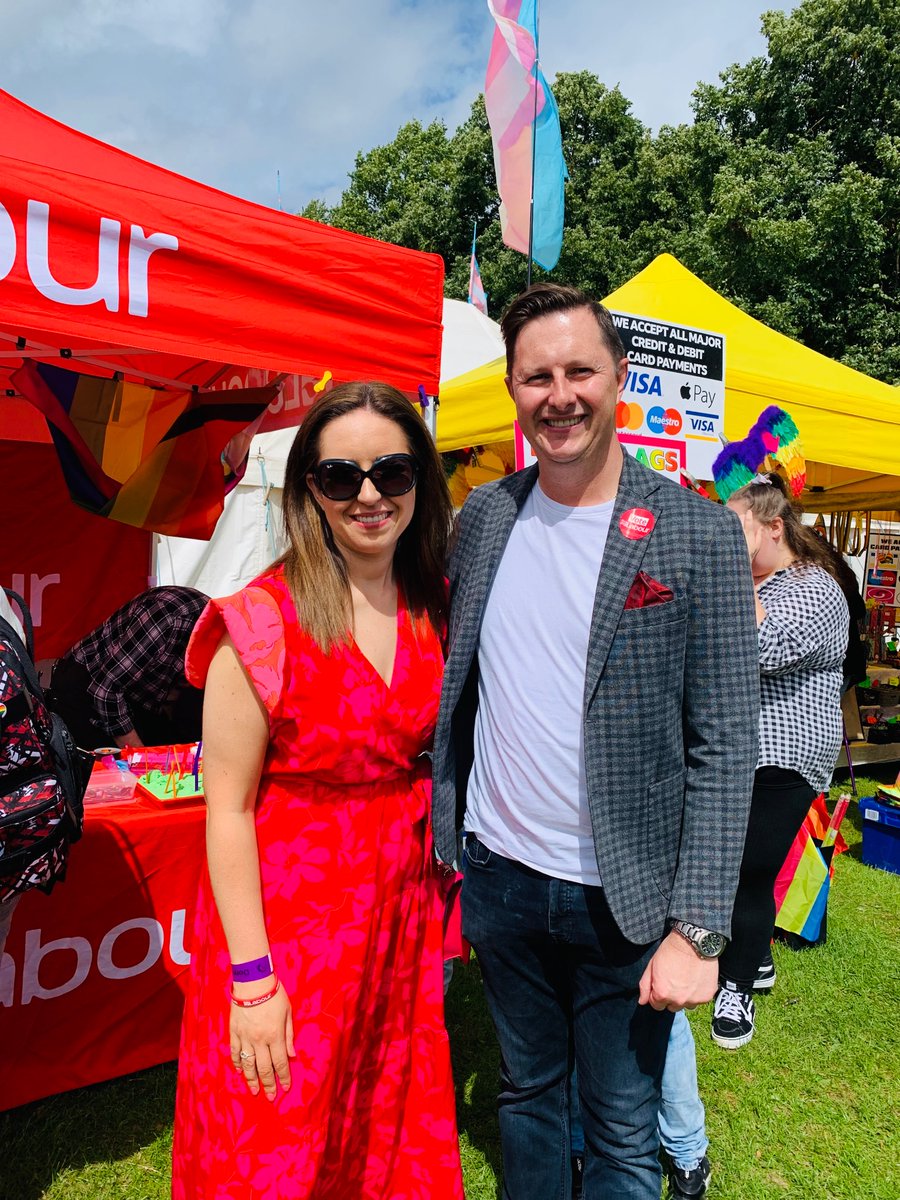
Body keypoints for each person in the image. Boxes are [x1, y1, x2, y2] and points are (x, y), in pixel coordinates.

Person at [431, 282, 760, 1199]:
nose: (560, 394)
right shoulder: (484, 518)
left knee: (620, 1128)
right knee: (528, 1093)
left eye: (580, 370)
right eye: (537, 376)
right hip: (500, 878)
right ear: (512, 389)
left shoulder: (696, 532)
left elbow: (727, 743)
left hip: (627, 895)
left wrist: (698, 929)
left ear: (620, 377)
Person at [171, 382, 463, 1200]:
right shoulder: (258, 622)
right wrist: (253, 979)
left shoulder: (435, 605)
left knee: (381, 1134)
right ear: (310, 491)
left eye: (393, 473)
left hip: (397, 929)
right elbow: (224, 810)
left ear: (420, 482)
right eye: (341, 478)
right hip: (287, 933)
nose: (369, 495)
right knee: (272, 1143)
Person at [706, 477, 849, 1047]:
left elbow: (762, 650)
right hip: (738, 750)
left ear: (774, 527)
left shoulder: (815, 587)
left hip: (786, 754)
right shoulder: (758, 583)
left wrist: (735, 573)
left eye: (738, 529)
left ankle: (736, 988)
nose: (730, 543)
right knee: (742, 867)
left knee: (749, 869)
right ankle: (756, 957)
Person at [49, 586, 208, 748]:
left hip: (137, 699)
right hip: (87, 686)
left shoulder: (218, 638)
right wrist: (139, 758)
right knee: (110, 770)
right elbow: (105, 691)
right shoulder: (169, 615)